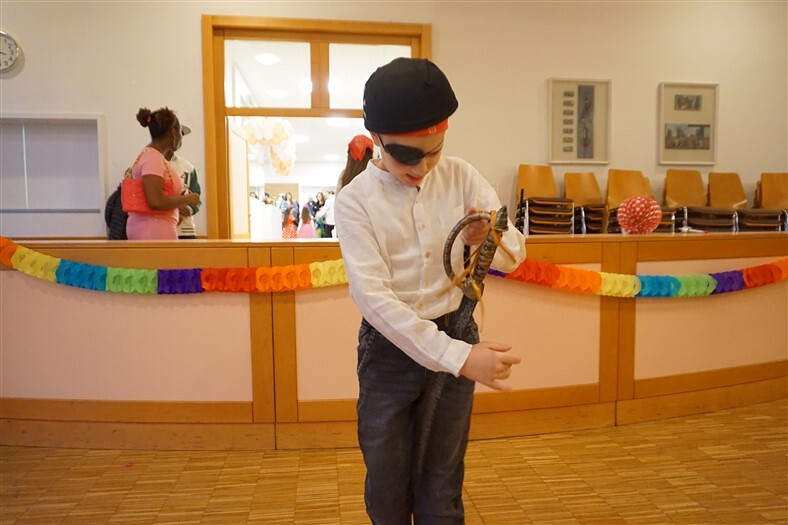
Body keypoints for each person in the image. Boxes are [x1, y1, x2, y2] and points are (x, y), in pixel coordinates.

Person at [334, 58, 526, 524]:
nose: (422, 167)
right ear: (376, 138)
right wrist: (461, 358)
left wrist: (489, 237)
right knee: (387, 489)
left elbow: (514, 254)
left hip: (458, 328)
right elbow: (374, 300)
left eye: (433, 152)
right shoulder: (355, 201)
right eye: (407, 156)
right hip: (388, 353)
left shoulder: (461, 176)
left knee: (442, 485)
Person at [126, 107, 200, 240]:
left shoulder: (153, 156)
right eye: (180, 132)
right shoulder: (152, 158)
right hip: (153, 231)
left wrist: (178, 197)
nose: (181, 138)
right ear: (173, 132)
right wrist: (187, 199)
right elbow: (155, 201)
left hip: (155, 229)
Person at [163, 126, 202, 239]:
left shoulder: (188, 167)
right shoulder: (150, 163)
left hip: (185, 231)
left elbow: (197, 198)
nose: (177, 138)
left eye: (180, 134)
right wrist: (174, 210)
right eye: (172, 134)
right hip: (159, 230)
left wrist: (186, 210)